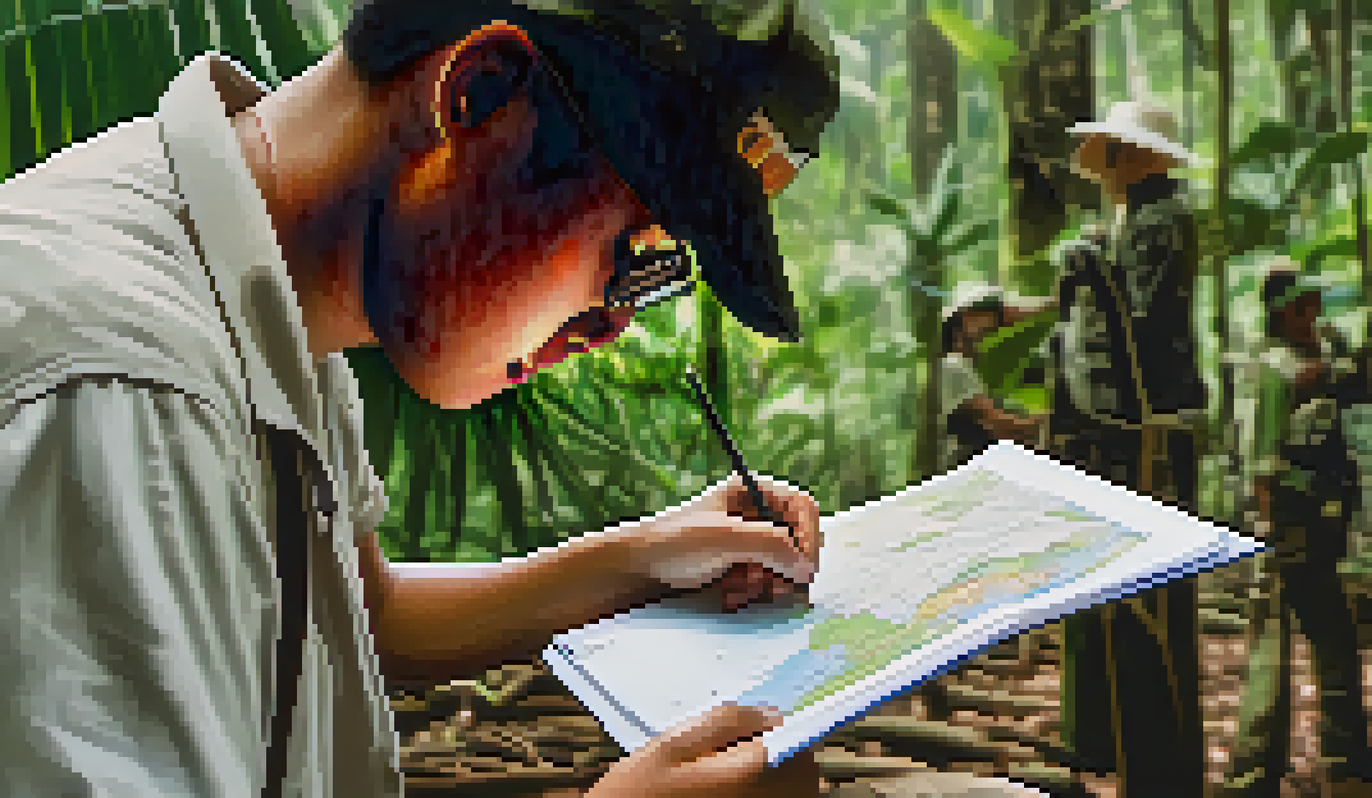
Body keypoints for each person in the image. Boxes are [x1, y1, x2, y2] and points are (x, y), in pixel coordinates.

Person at [0, 1, 841, 796]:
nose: (611, 325)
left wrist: (646, 557)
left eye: (661, 276)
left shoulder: (261, 281)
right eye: (637, 251)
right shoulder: (117, 390)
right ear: (476, 95)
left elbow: (366, 614)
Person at [1047, 99, 1208, 795]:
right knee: (1133, 608)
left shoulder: (1159, 223)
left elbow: (1137, 330)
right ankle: (1137, 760)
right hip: (1137, 433)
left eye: (1116, 151)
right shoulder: (1134, 223)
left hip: (1153, 437)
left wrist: (1095, 272)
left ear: (1139, 157)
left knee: (1153, 610)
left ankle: (1161, 771)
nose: (1106, 165)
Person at [1223, 263, 1372, 798]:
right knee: (1273, 648)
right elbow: (1260, 463)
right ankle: (1252, 775)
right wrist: (1272, 530)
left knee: (1334, 641)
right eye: (1300, 307)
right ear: (1277, 313)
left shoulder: (1314, 365)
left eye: (1314, 305)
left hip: (1318, 526)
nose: (1311, 315)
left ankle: (1344, 763)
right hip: (1286, 525)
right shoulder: (1271, 369)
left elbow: (1359, 388)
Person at [938, 283, 1054, 467]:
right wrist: (1050, 419)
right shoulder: (953, 365)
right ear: (966, 318)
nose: (995, 324)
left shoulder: (961, 367)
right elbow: (999, 422)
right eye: (990, 316)